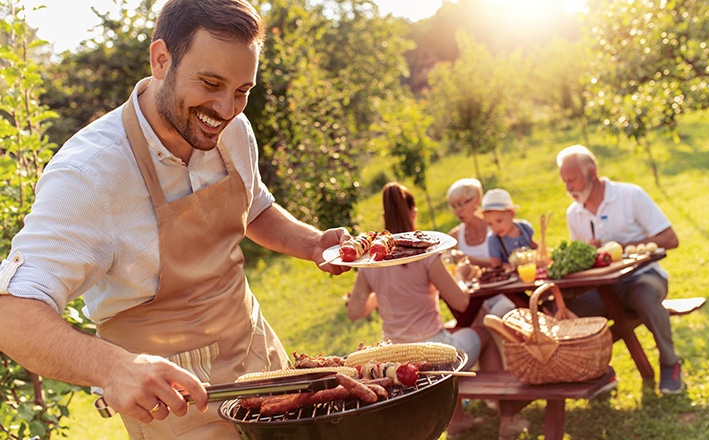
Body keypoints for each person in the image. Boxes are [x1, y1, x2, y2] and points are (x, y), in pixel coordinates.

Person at [0, 1, 351, 438]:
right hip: (179, 407)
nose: (226, 108)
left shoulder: (232, 130)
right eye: (211, 83)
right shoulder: (89, 174)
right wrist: (113, 368)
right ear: (161, 59)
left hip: (263, 367)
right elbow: (12, 313)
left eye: (243, 90)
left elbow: (253, 206)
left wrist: (313, 244)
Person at [346, 182, 527, 439]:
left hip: (394, 357)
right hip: (434, 351)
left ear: (385, 217)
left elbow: (354, 312)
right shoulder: (425, 254)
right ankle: (507, 418)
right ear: (413, 213)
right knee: (483, 334)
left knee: (459, 331)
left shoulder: (370, 263)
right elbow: (461, 301)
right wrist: (463, 275)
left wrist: (381, 294)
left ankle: (458, 420)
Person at [556, 144, 683, 394]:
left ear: (592, 173)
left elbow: (670, 239)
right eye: (564, 182)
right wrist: (589, 254)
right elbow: (583, 263)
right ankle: (601, 372)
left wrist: (622, 246)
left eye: (572, 180)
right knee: (564, 310)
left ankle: (670, 363)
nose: (568, 188)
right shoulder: (574, 213)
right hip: (603, 288)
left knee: (644, 296)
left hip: (644, 277)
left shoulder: (630, 195)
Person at [481, 188, 538, 269]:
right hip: (513, 278)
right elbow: (497, 265)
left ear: (511, 214)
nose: (495, 227)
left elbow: (534, 246)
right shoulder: (494, 240)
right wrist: (512, 267)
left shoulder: (524, 227)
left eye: (499, 221)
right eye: (490, 224)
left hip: (532, 271)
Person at [445, 178, 494, 268]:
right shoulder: (454, 237)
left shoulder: (494, 227)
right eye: (453, 207)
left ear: (476, 201)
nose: (457, 211)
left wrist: (464, 257)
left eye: (460, 205)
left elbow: (502, 263)